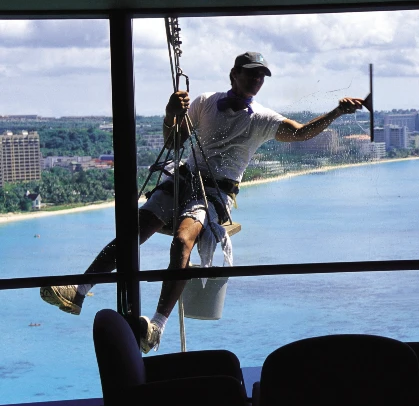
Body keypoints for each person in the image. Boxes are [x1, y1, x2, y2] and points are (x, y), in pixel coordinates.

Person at [40, 51, 364, 353]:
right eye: (251, 74)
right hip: (184, 179)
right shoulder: (206, 102)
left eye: (261, 77)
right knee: (133, 233)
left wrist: (336, 111)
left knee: (183, 242)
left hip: (215, 192)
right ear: (234, 75)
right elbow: (175, 140)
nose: (256, 81)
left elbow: (301, 132)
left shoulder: (261, 118)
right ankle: (78, 293)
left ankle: (156, 327)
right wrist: (171, 112)